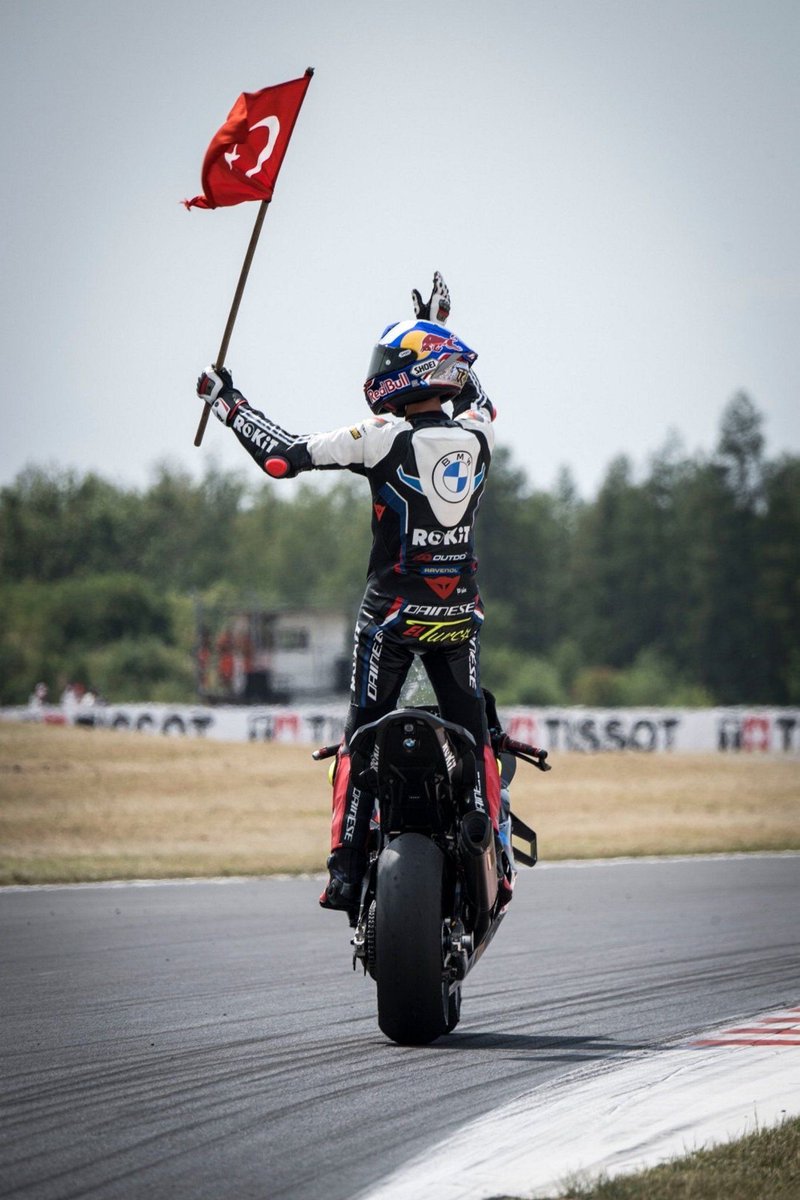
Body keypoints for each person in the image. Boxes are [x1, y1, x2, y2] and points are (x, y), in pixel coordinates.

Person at [196, 272, 509, 918]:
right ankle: (483, 834)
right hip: (458, 624)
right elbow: (481, 396)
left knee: (360, 739)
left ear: (401, 376)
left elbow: (281, 458)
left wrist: (228, 402)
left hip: (391, 624)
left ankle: (342, 869)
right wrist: (442, 327)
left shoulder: (381, 437)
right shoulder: (481, 436)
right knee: (477, 732)